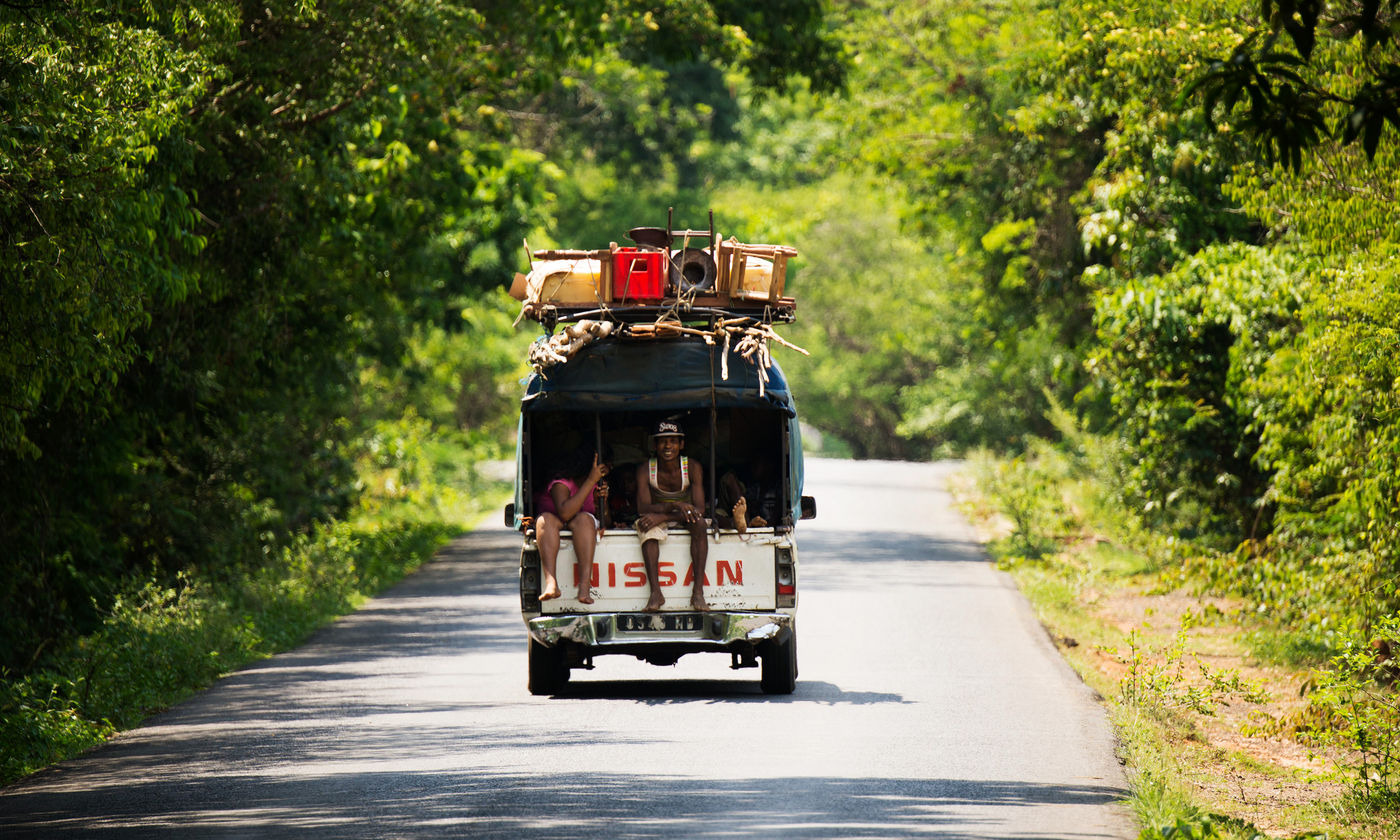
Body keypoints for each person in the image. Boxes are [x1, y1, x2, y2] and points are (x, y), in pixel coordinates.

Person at [634, 419, 709, 612]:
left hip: (682, 517)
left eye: (673, 441)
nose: (668, 446)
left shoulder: (692, 467)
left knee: (699, 524)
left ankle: (698, 593)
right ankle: (655, 594)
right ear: (654, 445)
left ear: (681, 444)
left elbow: (700, 509)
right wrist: (675, 505)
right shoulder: (645, 470)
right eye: (662, 441)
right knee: (645, 525)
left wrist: (665, 516)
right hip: (666, 515)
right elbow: (642, 508)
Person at [536, 446, 609, 604]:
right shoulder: (561, 483)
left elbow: (605, 520)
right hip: (555, 524)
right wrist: (591, 480)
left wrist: (603, 502)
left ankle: (584, 587)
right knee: (545, 519)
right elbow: (565, 514)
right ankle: (551, 583)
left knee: (584, 520)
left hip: (578, 525)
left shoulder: (595, 486)